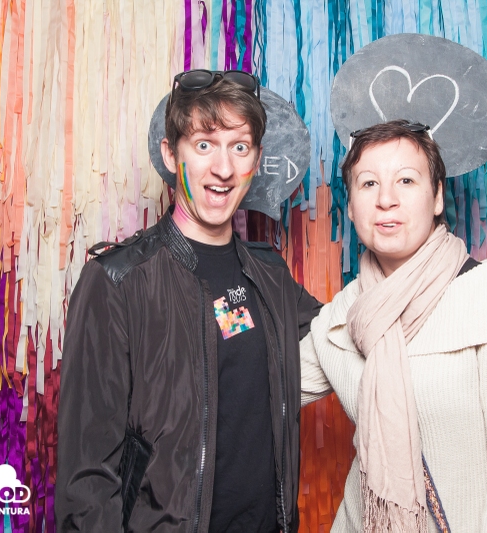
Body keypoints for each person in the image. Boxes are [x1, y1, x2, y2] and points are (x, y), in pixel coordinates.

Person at [56, 70, 322, 533]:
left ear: (257, 159)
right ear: (170, 153)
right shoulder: (117, 282)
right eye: (204, 145)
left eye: (239, 147)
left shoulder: (270, 275)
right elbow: (86, 486)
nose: (223, 168)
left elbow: (346, 334)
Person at [301, 120, 487, 532]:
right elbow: (258, 378)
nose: (386, 199)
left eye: (406, 180)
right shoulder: (344, 314)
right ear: (349, 206)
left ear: (437, 197)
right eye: (368, 184)